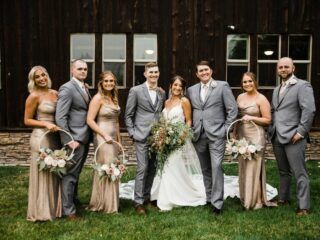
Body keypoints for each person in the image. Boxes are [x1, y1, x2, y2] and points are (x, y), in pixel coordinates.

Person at [187, 60, 238, 215]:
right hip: (198, 134)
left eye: (206, 70)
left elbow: (232, 109)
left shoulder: (222, 86)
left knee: (216, 167)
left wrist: (225, 129)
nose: (204, 73)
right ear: (197, 74)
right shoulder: (191, 90)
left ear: (211, 71)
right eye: (201, 71)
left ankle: (217, 204)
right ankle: (209, 198)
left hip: (217, 134)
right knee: (205, 169)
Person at [151, 76, 206, 210]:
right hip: (166, 139)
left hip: (178, 140)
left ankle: (168, 200)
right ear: (171, 86)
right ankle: (162, 194)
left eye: (180, 86)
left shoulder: (184, 101)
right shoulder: (167, 102)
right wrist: (161, 134)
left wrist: (181, 136)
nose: (177, 88)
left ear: (183, 88)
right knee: (164, 167)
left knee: (172, 165)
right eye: (175, 85)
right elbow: (163, 121)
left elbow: (188, 121)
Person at [269, 57, 315, 216]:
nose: (283, 69)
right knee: (283, 171)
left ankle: (304, 207)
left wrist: (301, 132)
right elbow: (275, 111)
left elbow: (309, 110)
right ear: (277, 69)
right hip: (277, 136)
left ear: (293, 68)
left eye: (286, 67)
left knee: (299, 172)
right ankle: (283, 198)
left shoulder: (303, 86)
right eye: (280, 67)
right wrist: (271, 130)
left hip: (294, 136)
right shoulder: (276, 89)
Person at [125, 62, 166, 215]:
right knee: (142, 168)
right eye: (151, 72)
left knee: (153, 168)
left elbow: (160, 113)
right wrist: (132, 133)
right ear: (145, 74)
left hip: (156, 137)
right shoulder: (135, 91)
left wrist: (161, 133)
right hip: (141, 135)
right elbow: (128, 115)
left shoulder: (162, 92)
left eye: (156, 72)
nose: (153, 75)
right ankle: (138, 202)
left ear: (159, 73)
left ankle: (147, 197)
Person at [24, 66, 62, 221]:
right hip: (41, 137)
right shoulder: (33, 96)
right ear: (33, 80)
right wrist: (45, 124)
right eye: (37, 77)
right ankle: (41, 211)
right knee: (43, 171)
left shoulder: (55, 93)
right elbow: (26, 120)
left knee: (55, 170)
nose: (41, 79)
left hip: (55, 137)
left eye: (43, 75)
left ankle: (54, 208)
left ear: (47, 75)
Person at [55, 59, 92, 220]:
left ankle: (73, 200)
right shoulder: (67, 88)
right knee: (70, 175)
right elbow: (60, 116)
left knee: (76, 173)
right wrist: (68, 139)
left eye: (85, 69)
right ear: (72, 70)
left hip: (84, 136)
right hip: (74, 138)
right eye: (79, 69)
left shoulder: (84, 87)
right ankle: (68, 210)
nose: (83, 71)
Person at [236, 72, 277, 210]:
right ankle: (247, 197)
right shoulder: (240, 97)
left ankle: (258, 200)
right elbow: (238, 117)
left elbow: (268, 120)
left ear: (255, 82)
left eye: (250, 81)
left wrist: (252, 118)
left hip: (256, 135)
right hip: (242, 134)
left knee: (255, 166)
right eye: (244, 82)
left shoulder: (261, 99)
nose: (247, 84)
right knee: (244, 166)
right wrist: (234, 133)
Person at [87, 71, 121, 213]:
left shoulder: (114, 98)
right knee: (106, 167)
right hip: (102, 136)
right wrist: (104, 135)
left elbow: (117, 122)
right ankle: (103, 203)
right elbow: (89, 120)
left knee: (114, 166)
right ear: (101, 83)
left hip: (113, 137)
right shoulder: (98, 98)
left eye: (111, 81)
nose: (109, 83)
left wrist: (119, 140)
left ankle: (112, 201)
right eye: (106, 81)